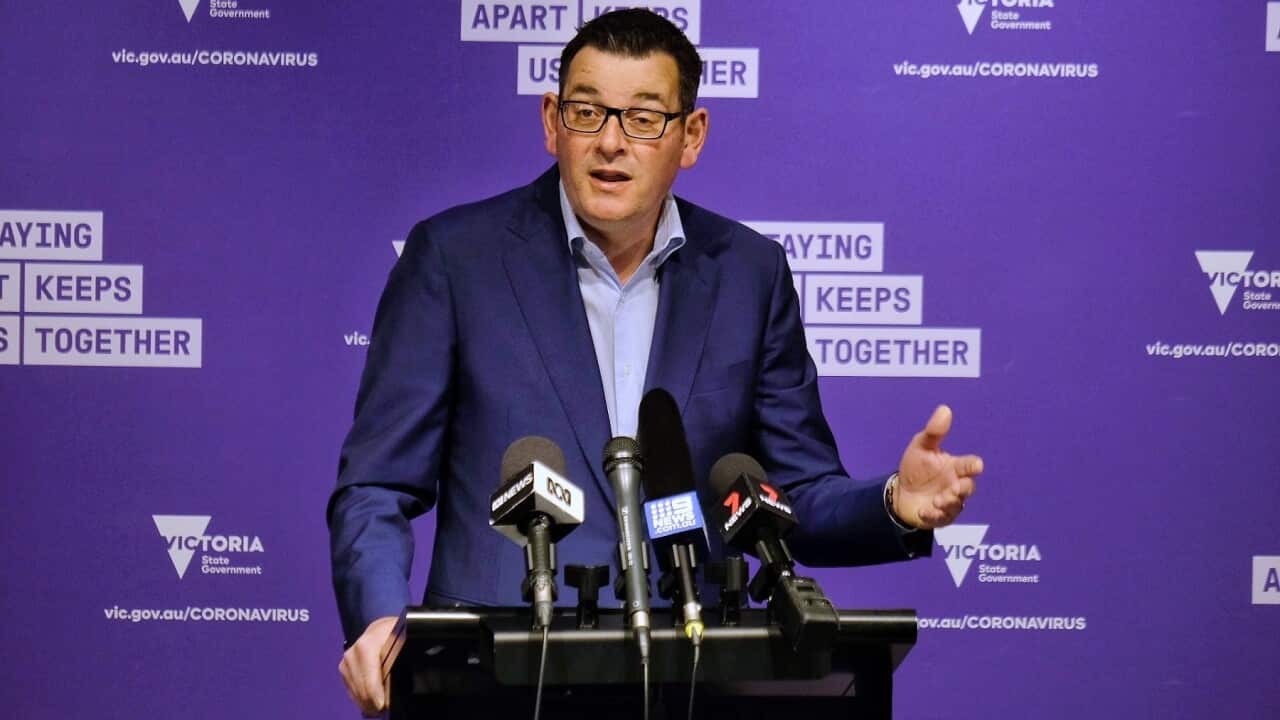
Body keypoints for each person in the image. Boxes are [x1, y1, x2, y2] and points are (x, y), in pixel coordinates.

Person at [329, 9, 983, 716]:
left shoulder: (748, 275)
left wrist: (895, 503)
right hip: (495, 675)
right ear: (551, 121)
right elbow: (377, 485)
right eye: (587, 112)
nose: (610, 142)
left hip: (691, 674)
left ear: (690, 135)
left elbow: (794, 495)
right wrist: (379, 619)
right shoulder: (456, 259)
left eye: (643, 119)